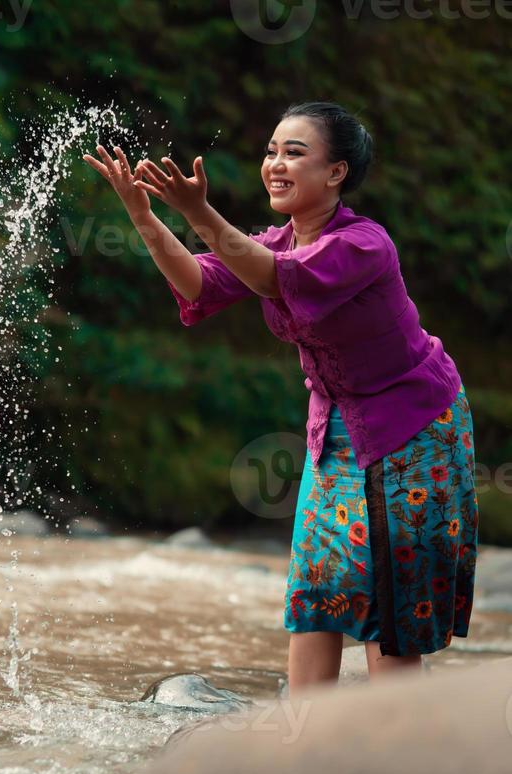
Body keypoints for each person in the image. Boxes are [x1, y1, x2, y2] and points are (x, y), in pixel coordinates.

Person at [82, 100, 478, 691]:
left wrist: (199, 210)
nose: (275, 163)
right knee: (317, 591)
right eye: (271, 151)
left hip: (413, 431)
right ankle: (303, 745)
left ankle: (397, 756)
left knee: (390, 610)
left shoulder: (364, 245)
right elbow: (199, 281)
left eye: (294, 152)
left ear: (336, 173)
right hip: (335, 431)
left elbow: (271, 277)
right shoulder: (279, 239)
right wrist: (143, 215)